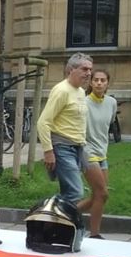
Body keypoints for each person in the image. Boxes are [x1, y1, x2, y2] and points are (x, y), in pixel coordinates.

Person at [37, 53, 93, 202]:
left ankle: (58, 222)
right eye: (84, 69)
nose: (88, 73)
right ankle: (62, 221)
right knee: (75, 193)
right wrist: (48, 152)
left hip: (77, 147)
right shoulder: (61, 90)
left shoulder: (81, 91)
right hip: (62, 147)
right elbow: (43, 122)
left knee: (69, 192)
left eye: (90, 70)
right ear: (71, 70)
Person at [79, 69, 117, 239]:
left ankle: (66, 213)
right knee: (103, 193)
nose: (99, 83)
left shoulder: (111, 103)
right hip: (87, 151)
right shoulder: (83, 102)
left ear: (107, 83)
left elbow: (109, 123)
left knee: (98, 196)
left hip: (103, 153)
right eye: (96, 80)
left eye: (103, 80)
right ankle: (95, 234)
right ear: (91, 83)